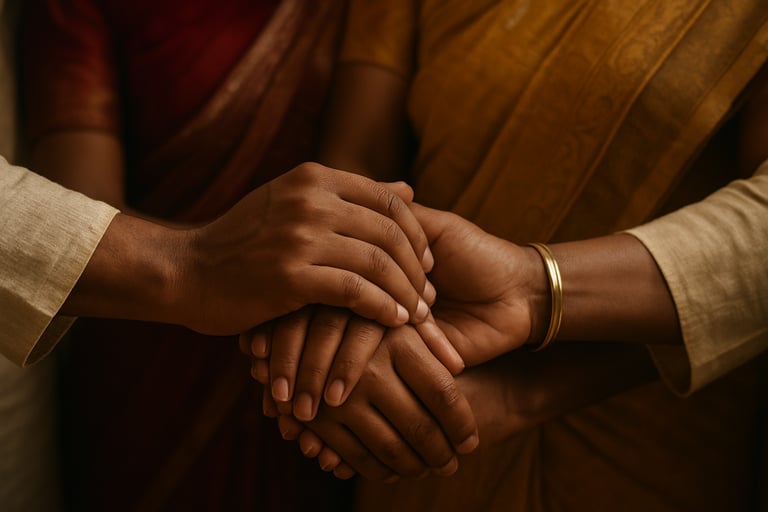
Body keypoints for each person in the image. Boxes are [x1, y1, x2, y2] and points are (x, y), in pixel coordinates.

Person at [246, 1, 768, 510]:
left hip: (637, 431)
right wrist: (337, 316)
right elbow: (358, 158)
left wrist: (530, 318)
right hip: (411, 393)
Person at [18, 0, 475, 510]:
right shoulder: (74, 9)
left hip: (324, 363)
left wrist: (329, 291)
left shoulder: (370, 11)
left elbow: (362, 169)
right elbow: (68, 216)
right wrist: (216, 266)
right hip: (150, 346)